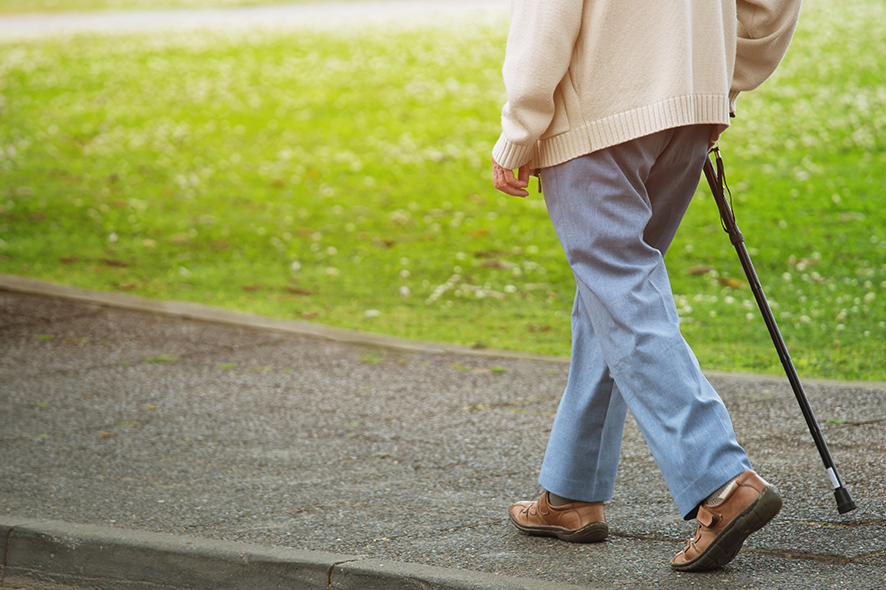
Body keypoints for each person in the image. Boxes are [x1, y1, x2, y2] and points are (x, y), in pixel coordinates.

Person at [490, 0, 803, 572]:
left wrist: (520, 129)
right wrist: (713, 78)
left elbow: (547, 13)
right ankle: (570, 493)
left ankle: (722, 481)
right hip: (689, 109)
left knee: (621, 295)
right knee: (611, 299)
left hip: (599, 114)